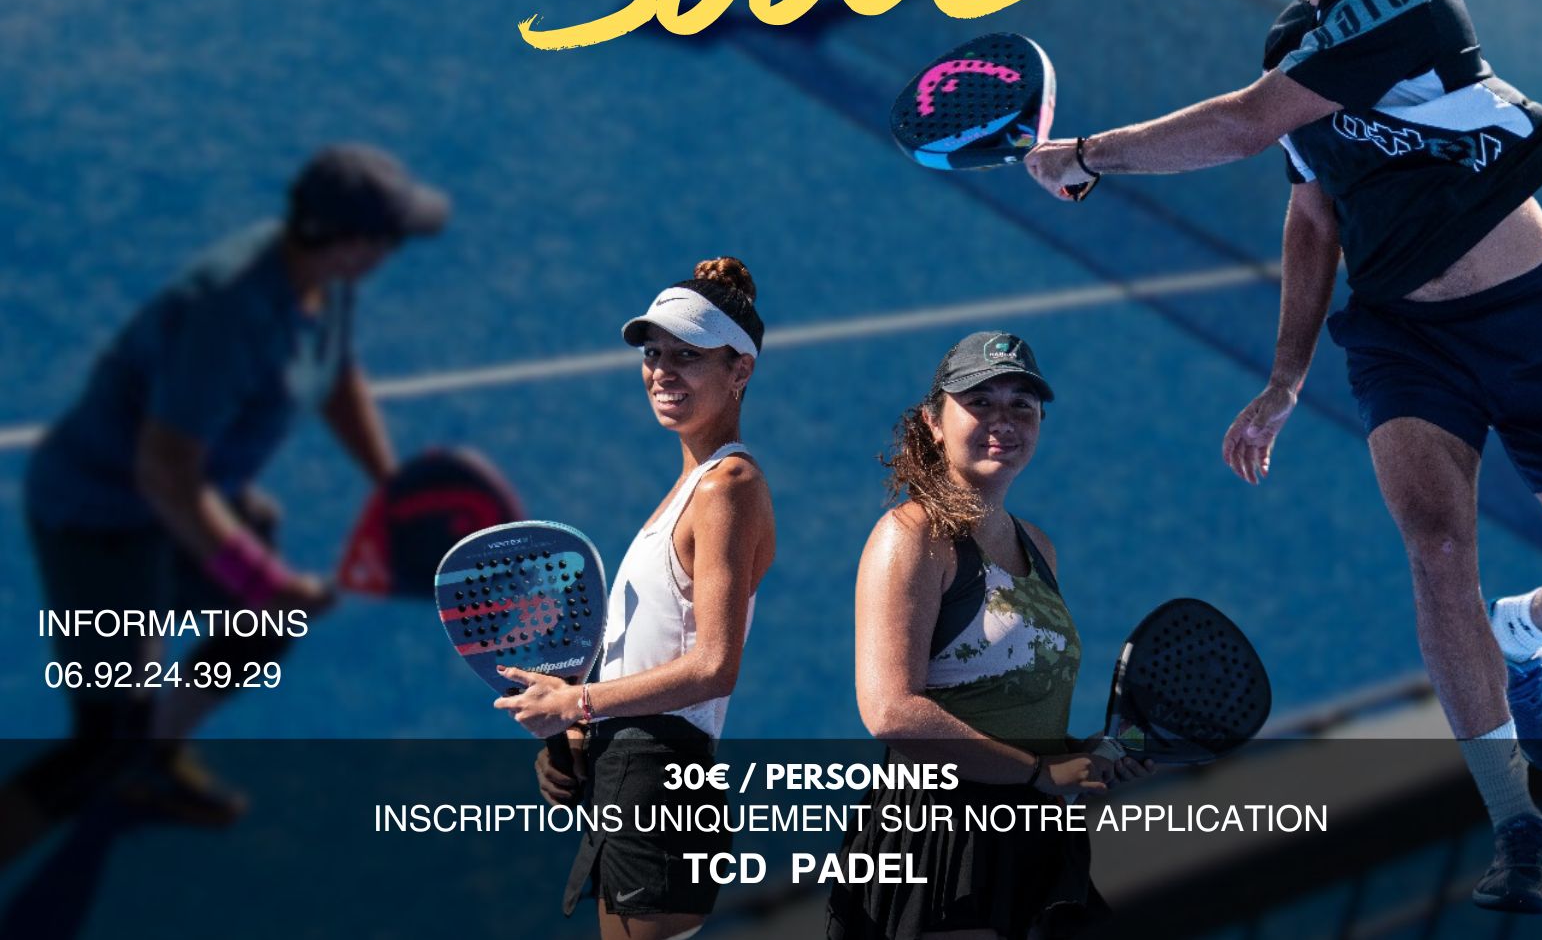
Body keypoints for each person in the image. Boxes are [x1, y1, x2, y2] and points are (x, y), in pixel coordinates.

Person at [1024, 0, 1542, 916]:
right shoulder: (1291, 41)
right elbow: (1312, 214)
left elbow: (1245, 122)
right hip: (1404, 338)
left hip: (1529, 322)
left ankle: (1521, 625)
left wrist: (1089, 154)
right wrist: (1284, 378)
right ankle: (1515, 818)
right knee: (1435, 545)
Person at [15, 144, 450, 839]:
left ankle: (151, 757)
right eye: (390, 237)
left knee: (262, 627)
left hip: (189, 497)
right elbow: (164, 470)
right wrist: (260, 578)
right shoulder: (227, 316)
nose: (394, 250)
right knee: (103, 741)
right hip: (102, 522)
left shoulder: (324, 278)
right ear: (349, 242)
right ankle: (127, 754)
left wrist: (389, 482)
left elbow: (335, 373)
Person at [497, 256, 775, 939]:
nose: (662, 371)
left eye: (688, 355)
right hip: (634, 769)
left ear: (740, 369)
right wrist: (577, 734)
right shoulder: (692, 490)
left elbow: (714, 666)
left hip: (660, 777)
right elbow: (650, 652)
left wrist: (577, 702)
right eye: (653, 354)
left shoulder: (727, 487)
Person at [828, 330, 1140, 940]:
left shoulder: (1037, 544)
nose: (1004, 420)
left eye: (1022, 404)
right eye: (980, 402)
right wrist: (1038, 773)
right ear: (933, 423)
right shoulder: (911, 537)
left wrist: (1078, 753)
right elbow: (891, 711)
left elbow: (1007, 699)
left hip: (1027, 833)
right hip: (943, 844)